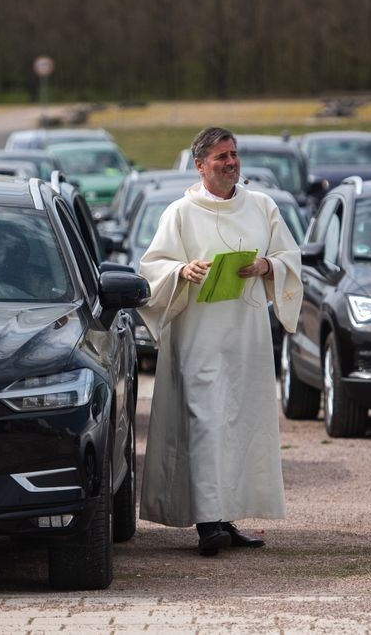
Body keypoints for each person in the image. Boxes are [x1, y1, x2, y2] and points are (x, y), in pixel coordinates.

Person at [137, 127, 303, 557]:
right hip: (198, 339)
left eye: (234, 155)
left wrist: (267, 265)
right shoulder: (180, 213)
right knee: (206, 424)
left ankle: (226, 516)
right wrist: (182, 272)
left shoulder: (262, 206)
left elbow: (290, 258)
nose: (231, 163)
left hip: (246, 339)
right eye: (220, 158)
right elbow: (152, 269)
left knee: (238, 426)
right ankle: (207, 522)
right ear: (200, 165)